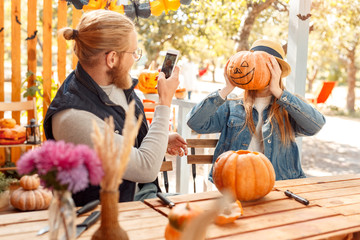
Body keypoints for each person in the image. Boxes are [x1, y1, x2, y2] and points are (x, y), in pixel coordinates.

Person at [43, 10, 187, 206]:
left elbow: (124, 140)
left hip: (143, 196)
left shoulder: (116, 83)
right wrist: (164, 102)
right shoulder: (73, 118)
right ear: (112, 59)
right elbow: (145, 169)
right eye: (134, 52)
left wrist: (159, 138)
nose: (135, 58)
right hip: (107, 217)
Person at [186, 39, 326, 182]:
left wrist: (279, 93)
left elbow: (316, 125)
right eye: (257, 63)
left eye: (267, 65)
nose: (259, 68)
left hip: (278, 184)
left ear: (277, 71)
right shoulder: (232, 105)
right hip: (235, 182)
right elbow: (195, 123)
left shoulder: (289, 105)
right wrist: (227, 88)